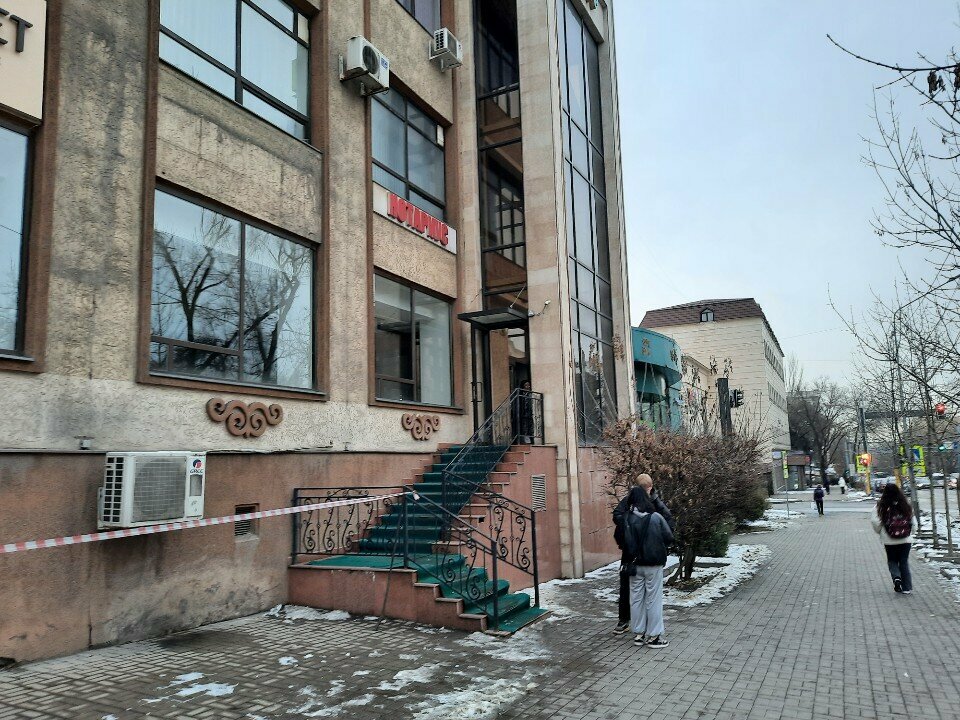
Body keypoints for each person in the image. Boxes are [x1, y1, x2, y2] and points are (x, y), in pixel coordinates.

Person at [612, 474, 674, 635]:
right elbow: (668, 525)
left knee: (633, 592)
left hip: (632, 554)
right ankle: (646, 629)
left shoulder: (633, 504)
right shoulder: (647, 503)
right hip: (646, 554)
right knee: (646, 594)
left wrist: (627, 534)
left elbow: (617, 519)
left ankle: (633, 626)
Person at [871, 483, 917, 594]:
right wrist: (911, 532)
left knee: (892, 560)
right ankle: (906, 588)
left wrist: (881, 532)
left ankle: (896, 577)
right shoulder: (905, 504)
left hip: (889, 539)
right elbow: (913, 521)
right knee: (903, 562)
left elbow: (875, 521)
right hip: (905, 539)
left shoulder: (880, 506)